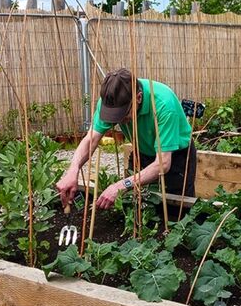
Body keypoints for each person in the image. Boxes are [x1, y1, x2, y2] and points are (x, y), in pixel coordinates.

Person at [56, 68, 196, 210]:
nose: (118, 120)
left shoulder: (163, 106)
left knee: (177, 209)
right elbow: (90, 139)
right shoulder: (111, 101)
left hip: (176, 157)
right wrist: (73, 170)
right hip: (142, 151)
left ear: (139, 97)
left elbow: (163, 163)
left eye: (122, 114)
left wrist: (120, 185)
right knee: (138, 206)